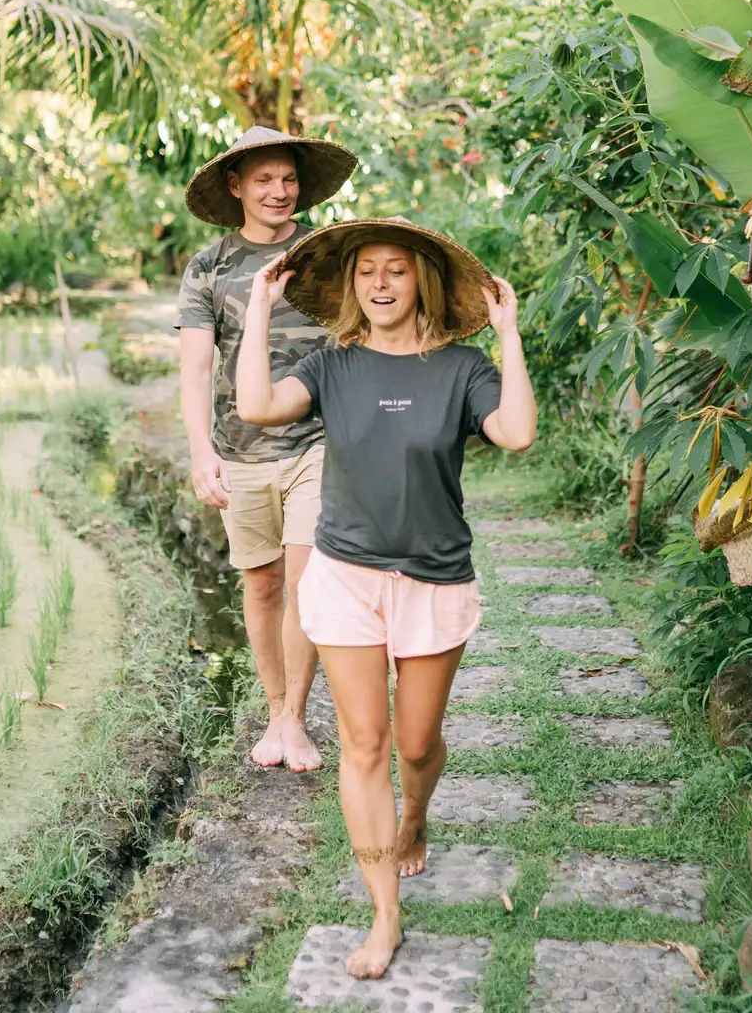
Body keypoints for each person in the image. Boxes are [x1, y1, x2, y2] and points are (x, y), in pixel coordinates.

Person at [235, 218, 537, 980]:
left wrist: (509, 335)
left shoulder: (463, 368)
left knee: (414, 746)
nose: (379, 283)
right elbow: (256, 408)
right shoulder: (333, 365)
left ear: (420, 283)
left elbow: (518, 433)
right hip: (345, 576)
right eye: (367, 271)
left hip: (435, 579)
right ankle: (383, 914)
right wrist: (262, 312)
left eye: (396, 270)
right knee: (364, 744)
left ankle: (417, 814)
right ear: (351, 286)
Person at [176, 125, 358, 773]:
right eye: (264, 180)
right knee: (261, 585)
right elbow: (197, 369)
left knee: (307, 585)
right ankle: (276, 706)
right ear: (236, 187)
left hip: (317, 442)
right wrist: (202, 452)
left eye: (288, 179)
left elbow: (357, 339)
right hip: (242, 450)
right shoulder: (210, 267)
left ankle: (293, 719)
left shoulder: (327, 254)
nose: (280, 191)